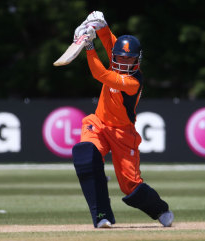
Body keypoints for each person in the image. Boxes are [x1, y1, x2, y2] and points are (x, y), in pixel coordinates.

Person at [72, 11, 174, 228]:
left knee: (131, 187)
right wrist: (100, 26)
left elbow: (100, 75)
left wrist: (89, 46)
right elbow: (111, 42)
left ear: (138, 60)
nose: (124, 62)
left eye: (130, 58)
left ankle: (160, 210)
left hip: (122, 133)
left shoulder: (132, 82)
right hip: (98, 123)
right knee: (85, 156)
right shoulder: (116, 58)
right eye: (120, 58)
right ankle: (102, 216)